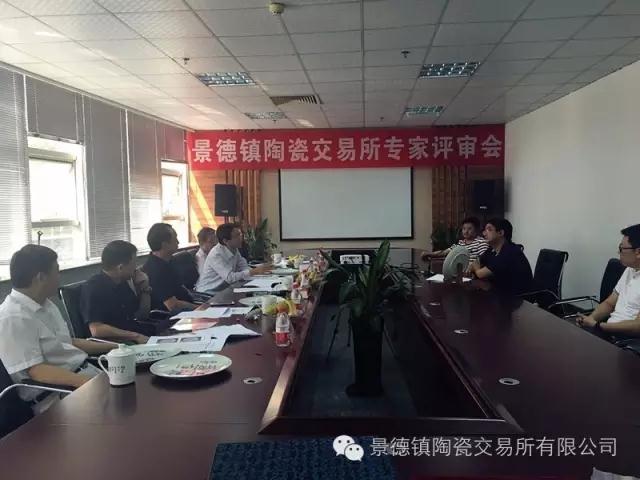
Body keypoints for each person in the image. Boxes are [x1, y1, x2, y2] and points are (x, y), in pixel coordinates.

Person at [0, 245, 114, 412]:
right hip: (57, 396)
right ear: (41, 277)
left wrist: (118, 347)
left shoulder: (46, 304)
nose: (59, 277)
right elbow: (36, 371)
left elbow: (68, 343)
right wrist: (87, 383)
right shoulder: (12, 317)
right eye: (56, 271)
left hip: (84, 375)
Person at [81, 240, 152, 344]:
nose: (136, 268)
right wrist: (134, 336)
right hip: (116, 343)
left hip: (134, 334)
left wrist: (144, 288)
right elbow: (96, 329)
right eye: (134, 263)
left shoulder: (122, 282)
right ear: (121, 267)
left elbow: (142, 315)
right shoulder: (94, 288)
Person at [576, 224, 640, 339]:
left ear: (638, 252)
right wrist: (590, 319)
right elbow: (609, 303)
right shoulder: (630, 269)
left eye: (621, 248)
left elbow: (637, 326)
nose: (618, 252)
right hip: (610, 332)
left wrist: (599, 326)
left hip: (628, 341)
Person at [196, 223, 272, 293]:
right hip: (209, 291)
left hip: (225, 287)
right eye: (237, 236)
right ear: (225, 241)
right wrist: (254, 272)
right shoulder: (216, 255)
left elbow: (243, 266)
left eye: (240, 234)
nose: (241, 238)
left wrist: (262, 273)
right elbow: (230, 278)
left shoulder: (234, 248)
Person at [468, 218, 533, 295]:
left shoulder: (510, 252)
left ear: (501, 233)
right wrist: (473, 269)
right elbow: (477, 263)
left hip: (519, 298)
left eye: (489, 229)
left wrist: (476, 267)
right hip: (502, 293)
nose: (484, 233)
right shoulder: (492, 250)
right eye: (484, 230)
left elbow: (480, 273)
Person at [142, 223, 198, 312]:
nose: (178, 242)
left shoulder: (169, 261)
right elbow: (173, 305)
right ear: (165, 244)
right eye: (175, 239)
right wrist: (200, 309)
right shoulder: (155, 270)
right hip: (173, 316)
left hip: (190, 308)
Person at [422, 216, 489, 264]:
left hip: (473, 274)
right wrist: (429, 254)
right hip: (459, 272)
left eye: (469, 229)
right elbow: (445, 252)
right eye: (464, 228)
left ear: (476, 230)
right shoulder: (460, 243)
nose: (466, 231)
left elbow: (485, 261)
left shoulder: (481, 242)